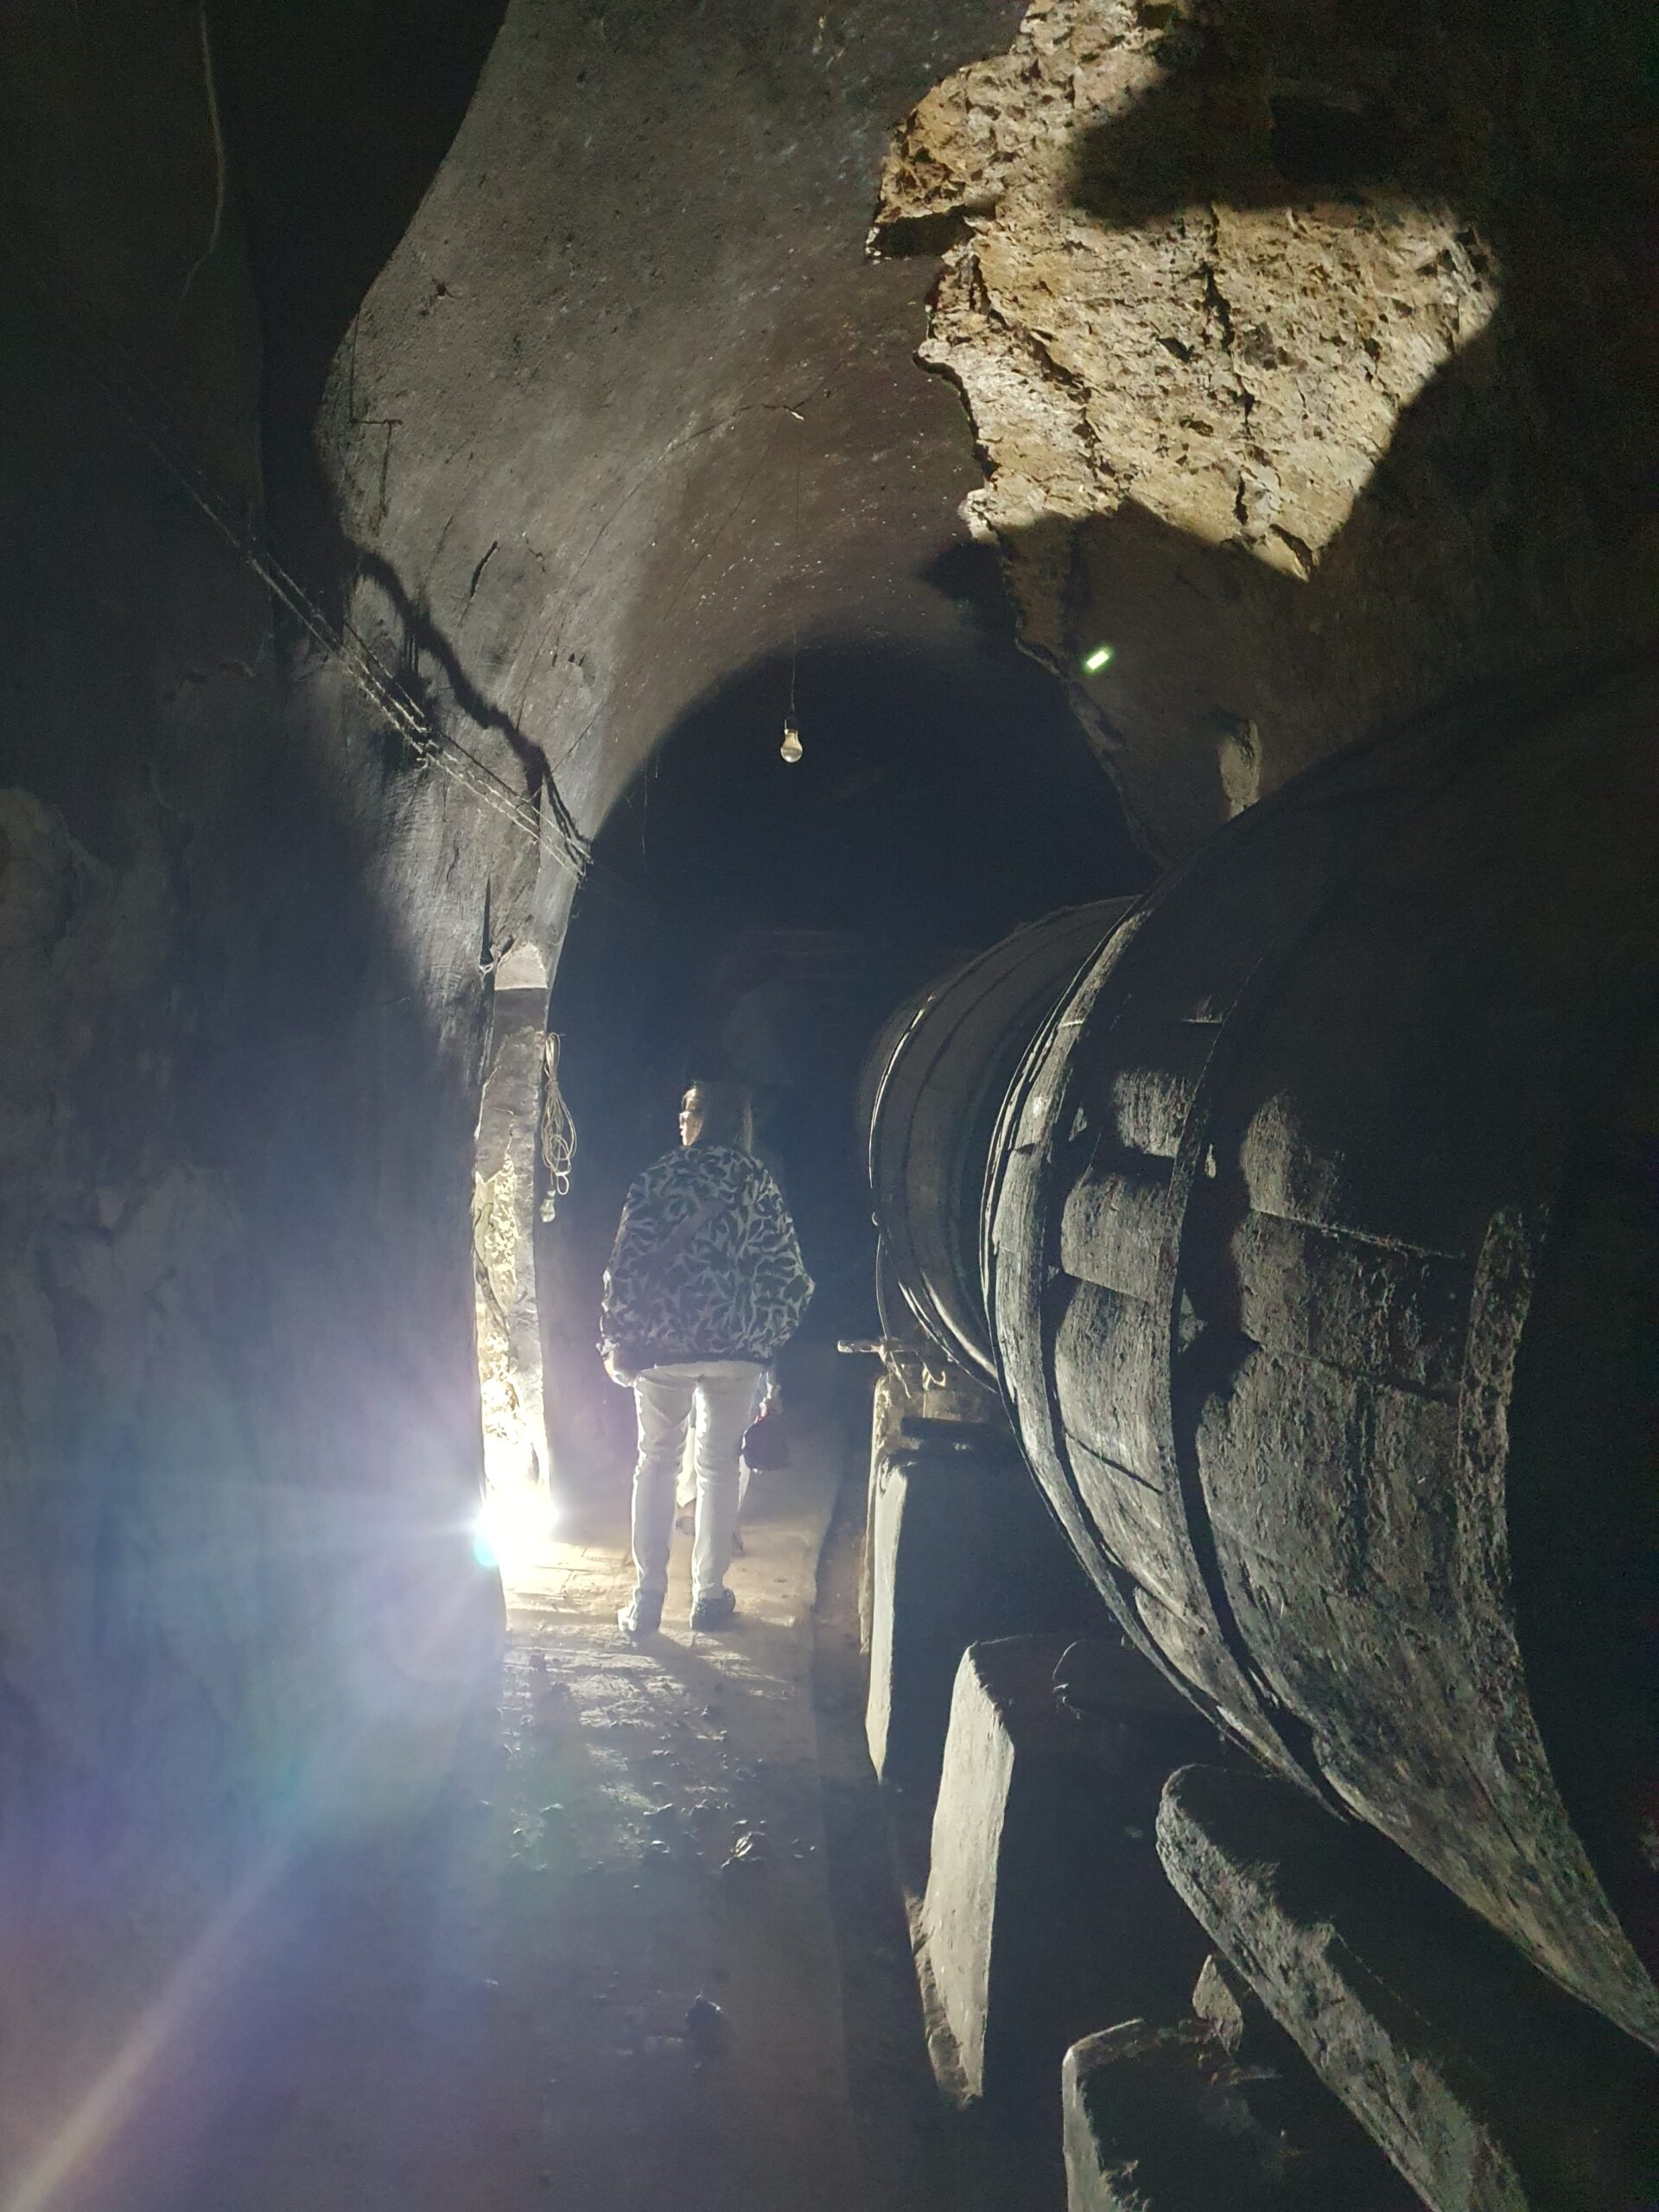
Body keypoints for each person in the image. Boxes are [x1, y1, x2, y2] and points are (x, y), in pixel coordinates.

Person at [600, 1079, 812, 1636]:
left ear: (708, 1118)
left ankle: (647, 1599)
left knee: (657, 1462)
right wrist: (763, 1339)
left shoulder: (659, 1177)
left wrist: (615, 1336)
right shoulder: (757, 1182)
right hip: (735, 1351)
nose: (680, 1116)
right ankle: (709, 1598)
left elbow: (624, 1267)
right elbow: (790, 1278)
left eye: (690, 1107)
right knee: (719, 1468)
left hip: (662, 1347)